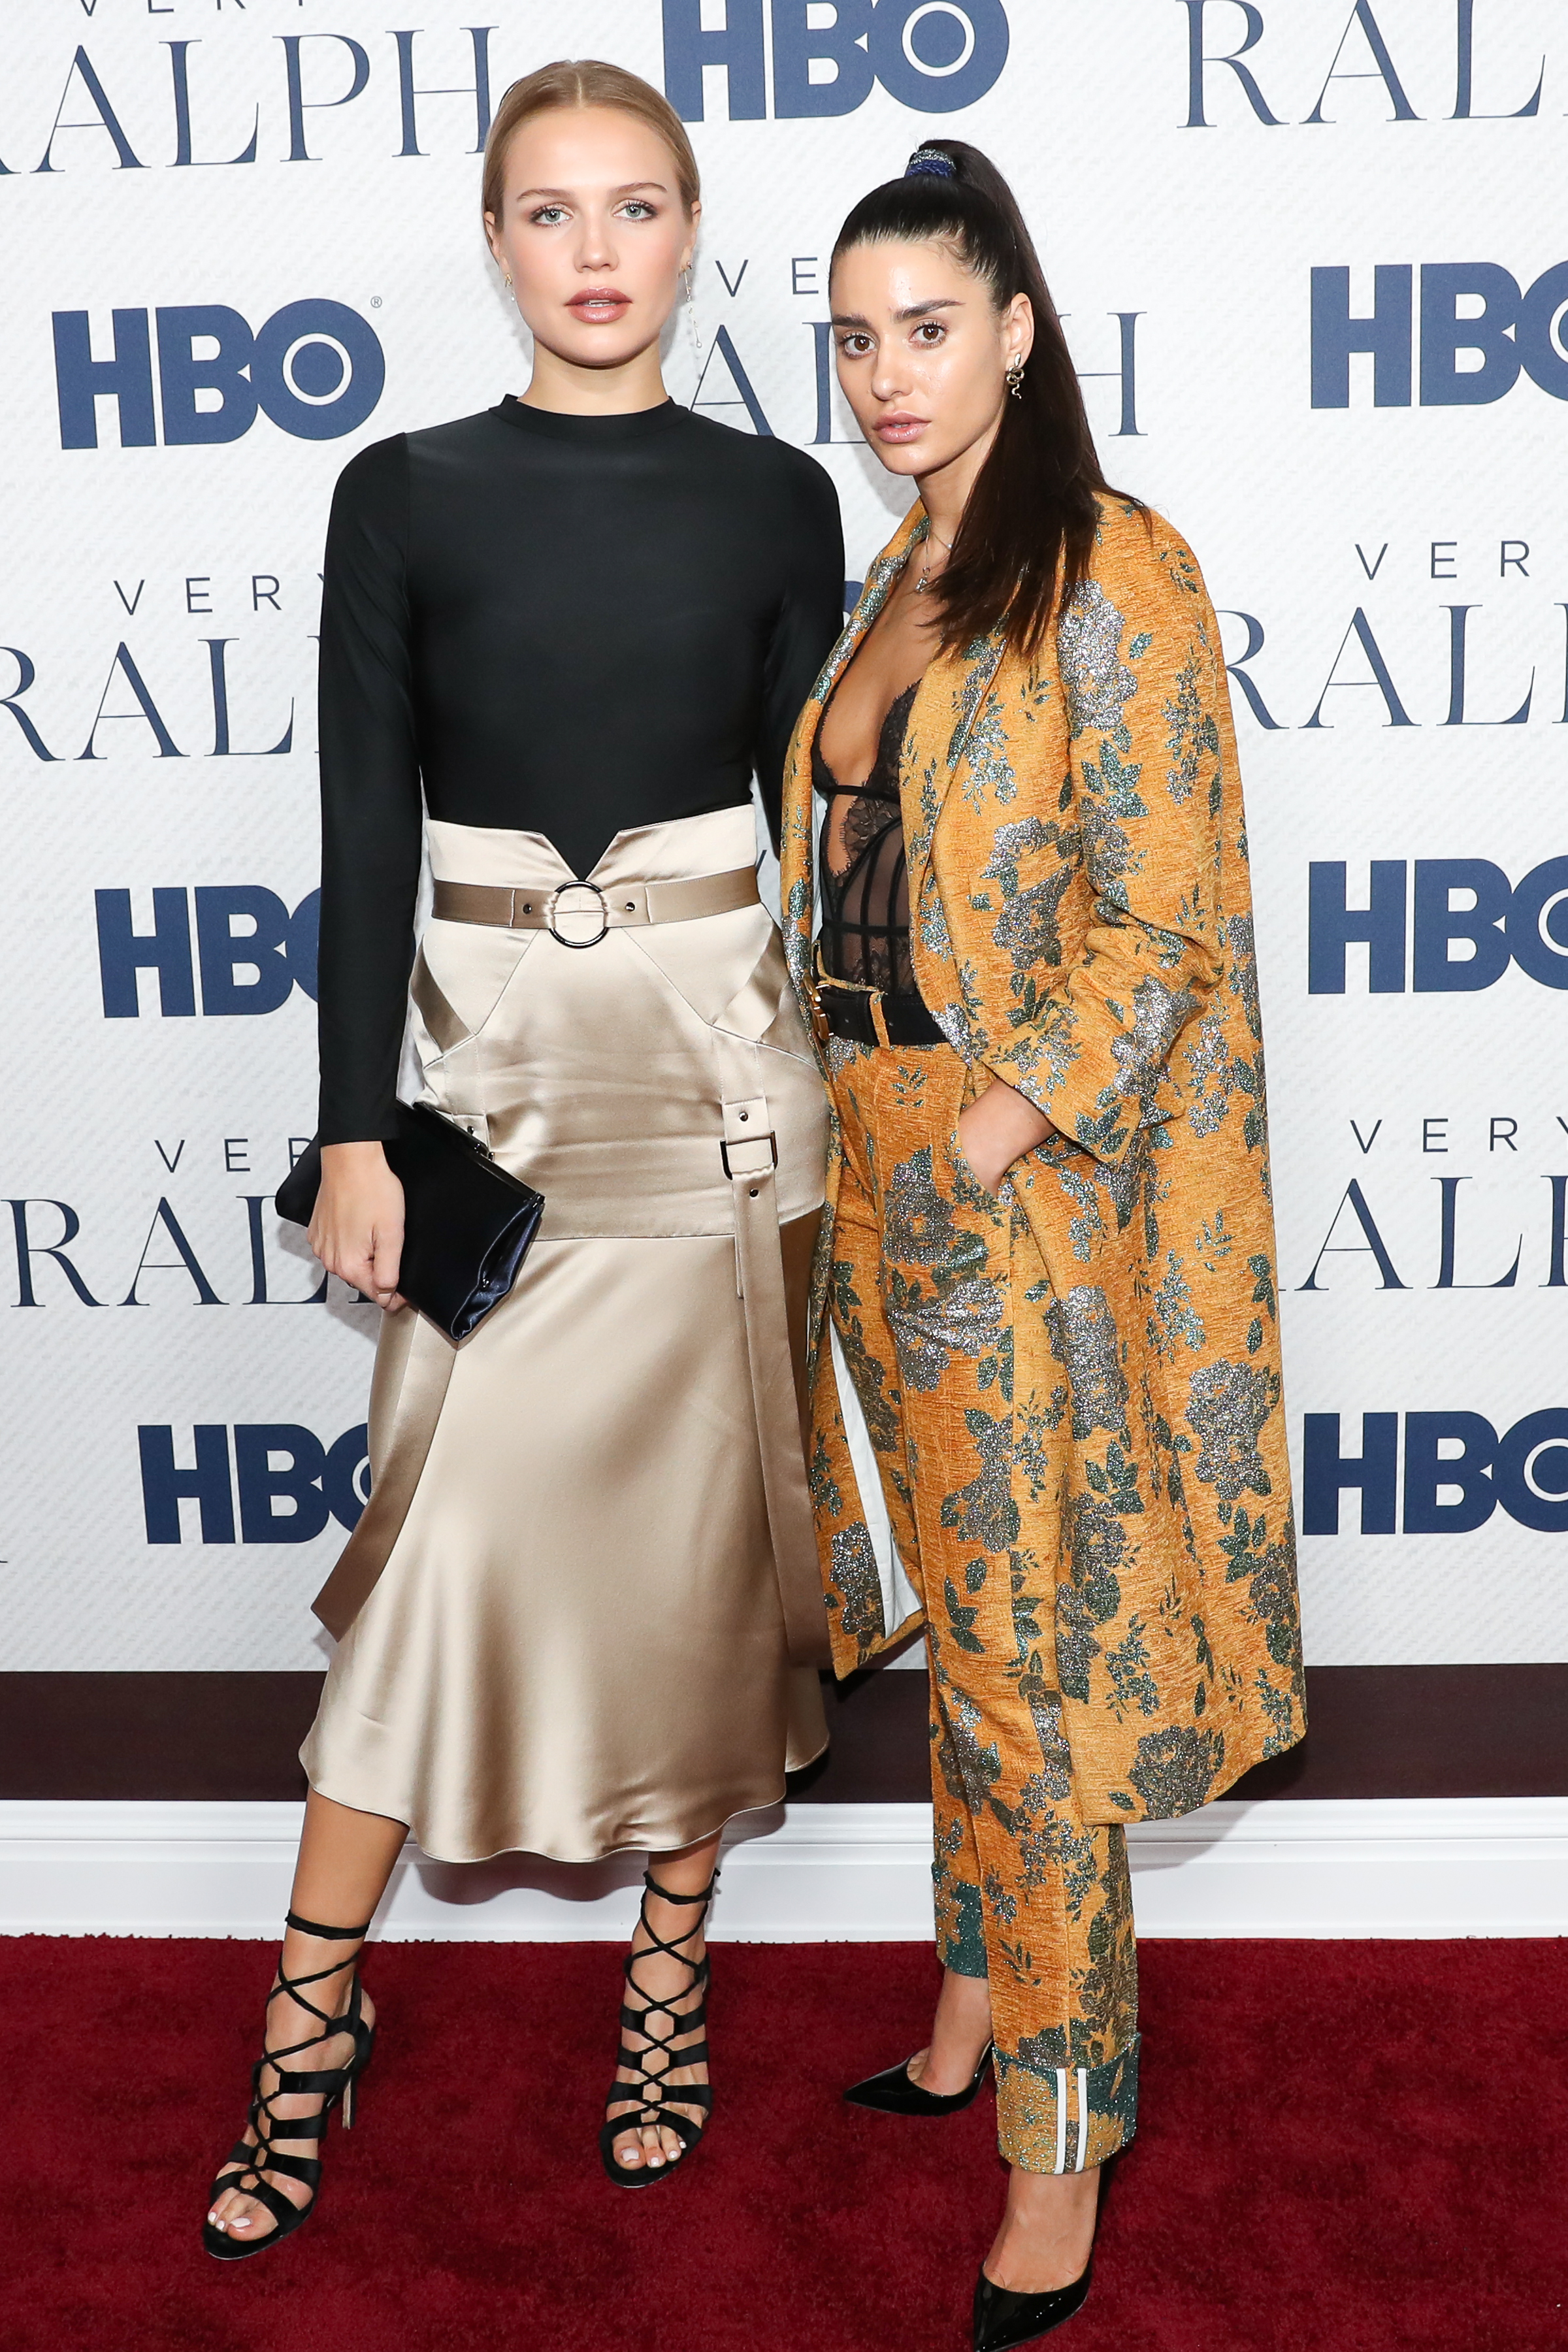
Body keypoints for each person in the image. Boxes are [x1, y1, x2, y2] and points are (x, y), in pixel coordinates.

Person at [203, 59, 844, 2258]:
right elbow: (362, 824)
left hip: (724, 1084)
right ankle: (312, 2012)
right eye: (551, 211)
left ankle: (667, 1983)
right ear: (495, 240)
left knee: (702, 1562)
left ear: (692, 230)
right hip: (496, 1090)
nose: (595, 251)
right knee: (431, 1554)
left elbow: (822, 830)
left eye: (635, 206)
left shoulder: (778, 498)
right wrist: (349, 1129)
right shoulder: (401, 492)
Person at [779, 142, 1304, 2350]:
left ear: (1015, 329)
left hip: (1016, 1196)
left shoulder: (1113, 565)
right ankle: (971, 2011)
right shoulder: (895, 567)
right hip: (863, 1158)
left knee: (1038, 1673)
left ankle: (1060, 2148)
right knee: (966, 1642)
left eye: (927, 329)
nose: (889, 375)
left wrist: (991, 1137)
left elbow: (1163, 921)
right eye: (855, 340)